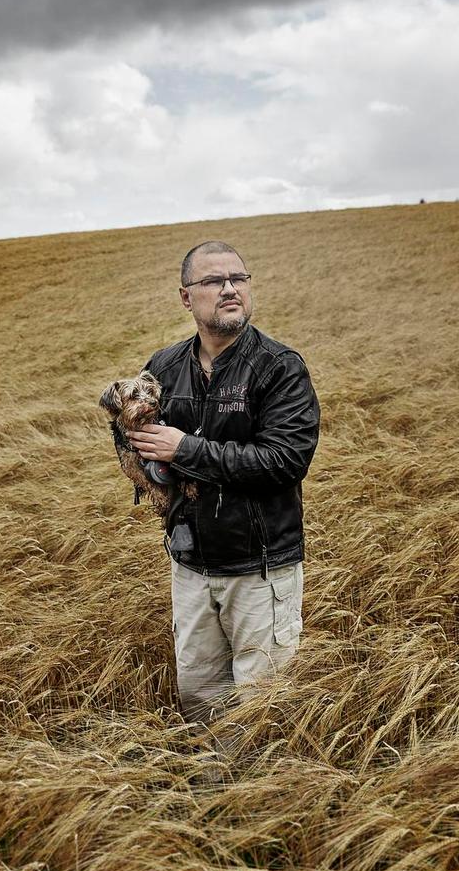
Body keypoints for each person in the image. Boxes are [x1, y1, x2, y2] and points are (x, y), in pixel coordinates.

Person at [128, 240, 320, 729]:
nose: (230, 289)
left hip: (261, 569)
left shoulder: (278, 367)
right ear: (186, 298)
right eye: (213, 281)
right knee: (201, 699)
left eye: (239, 278)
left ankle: (261, 801)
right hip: (190, 566)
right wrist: (136, 447)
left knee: (261, 710)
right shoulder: (165, 368)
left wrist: (183, 450)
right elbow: (147, 453)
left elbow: (284, 461)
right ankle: (214, 793)